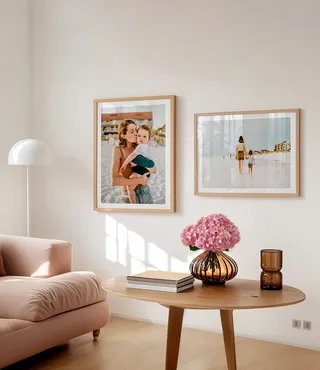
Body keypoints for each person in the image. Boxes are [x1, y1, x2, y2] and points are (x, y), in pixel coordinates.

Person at [110, 120, 156, 204]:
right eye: (132, 131)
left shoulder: (140, 147)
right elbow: (114, 181)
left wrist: (139, 160)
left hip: (145, 192)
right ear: (123, 135)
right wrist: (139, 181)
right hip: (128, 197)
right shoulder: (118, 150)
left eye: (136, 130)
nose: (135, 133)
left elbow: (154, 169)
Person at [120, 125, 154, 203]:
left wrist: (124, 164)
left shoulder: (140, 147)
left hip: (141, 171)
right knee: (131, 185)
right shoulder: (146, 147)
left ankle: (133, 204)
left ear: (148, 139)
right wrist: (134, 163)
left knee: (129, 187)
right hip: (144, 172)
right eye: (139, 136)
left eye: (144, 136)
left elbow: (132, 156)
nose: (141, 138)